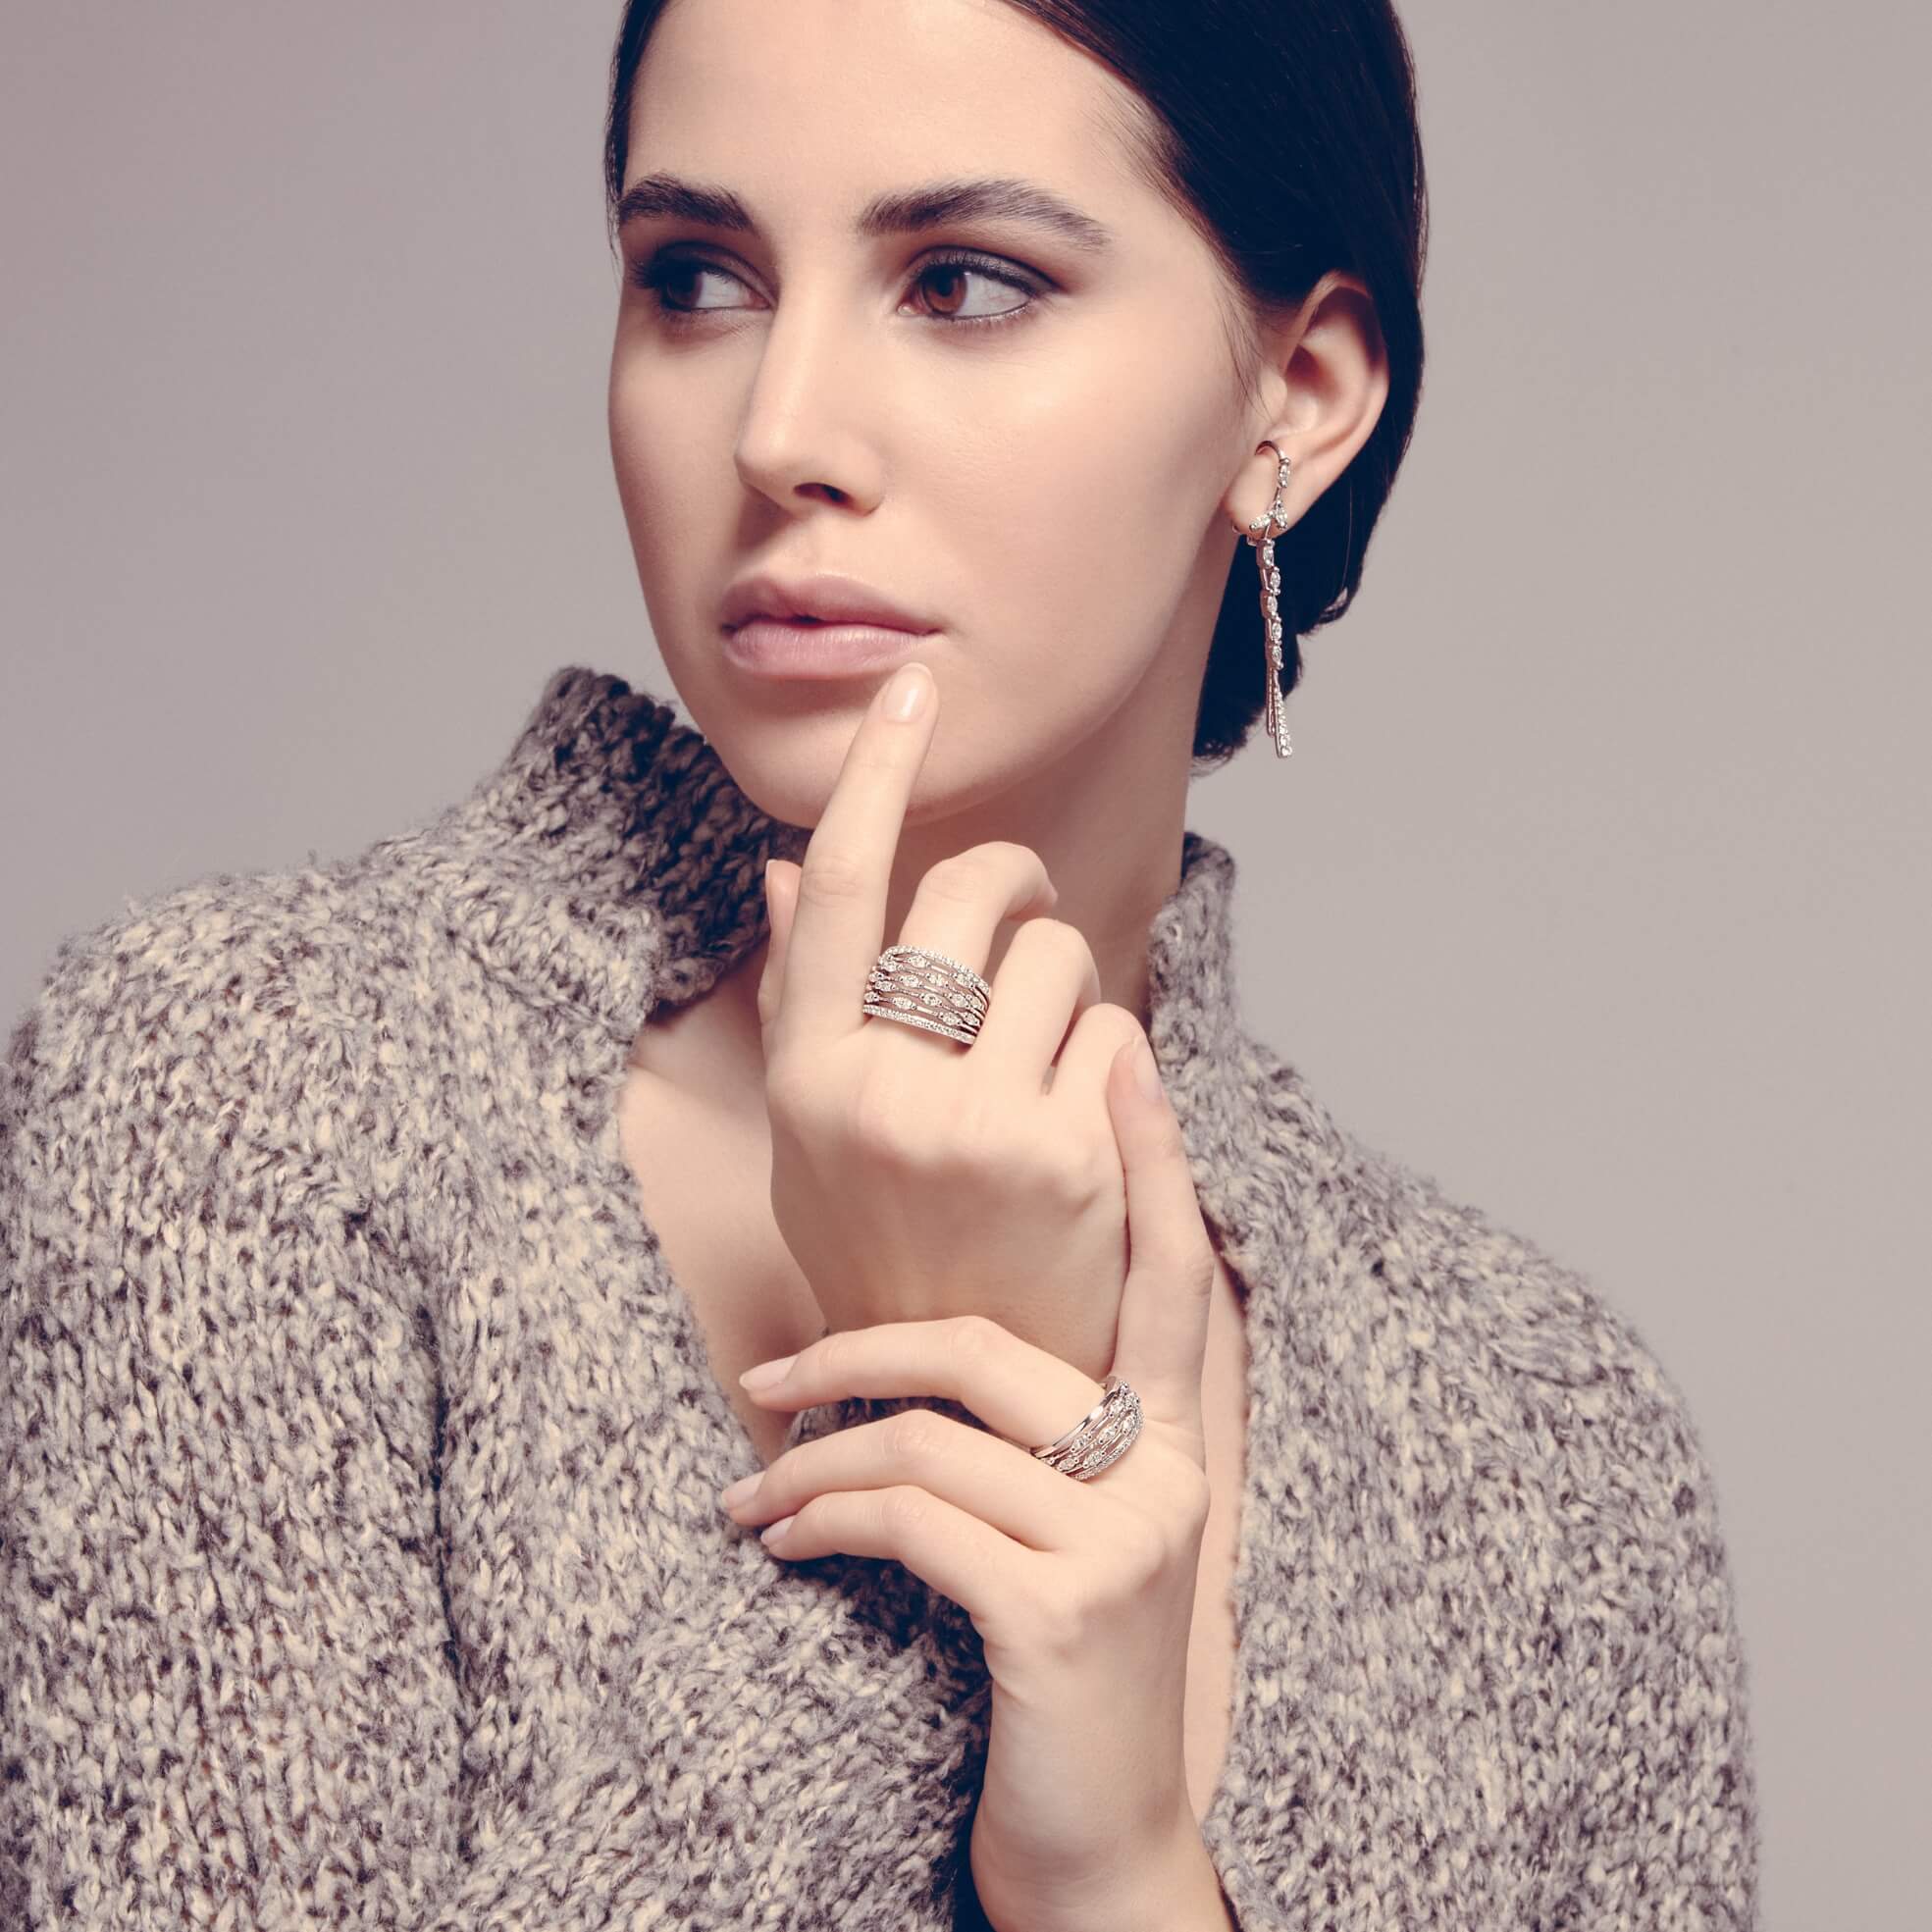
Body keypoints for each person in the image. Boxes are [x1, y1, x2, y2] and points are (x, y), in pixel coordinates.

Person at [0, 2, 1760, 1927]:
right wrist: (938, 1487)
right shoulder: (244, 1100)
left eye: (964, 282)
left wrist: (1114, 1862)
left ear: (1298, 396)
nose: (779, 433)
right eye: (697, 277)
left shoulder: (1542, 1452)